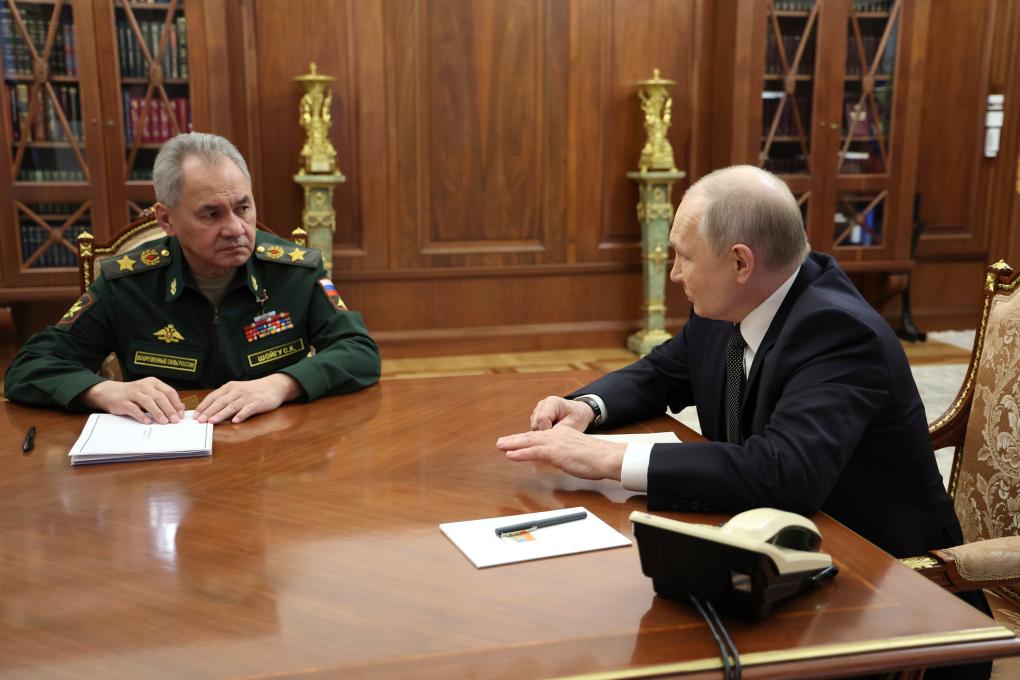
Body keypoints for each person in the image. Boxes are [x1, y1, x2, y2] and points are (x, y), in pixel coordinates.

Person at [497, 164, 965, 562]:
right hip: (767, 539)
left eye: (685, 257)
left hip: (881, 573)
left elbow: (784, 473)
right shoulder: (735, 301)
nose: (674, 273)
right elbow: (664, 372)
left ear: (741, 263)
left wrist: (608, 459)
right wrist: (587, 407)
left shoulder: (839, 333)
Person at [4, 132, 380, 425]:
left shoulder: (294, 272)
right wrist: (102, 391)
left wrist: (282, 385)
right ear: (166, 219)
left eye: (243, 207)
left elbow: (359, 352)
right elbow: (30, 367)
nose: (236, 228)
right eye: (211, 214)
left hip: (274, 453)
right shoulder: (127, 285)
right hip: (166, 460)